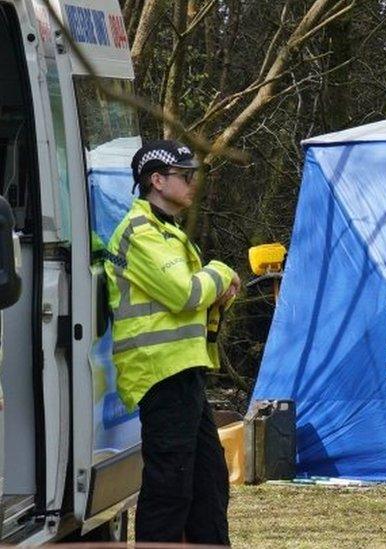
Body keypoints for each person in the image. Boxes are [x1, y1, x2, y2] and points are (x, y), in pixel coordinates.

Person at [104, 139, 240, 544]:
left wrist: (212, 288)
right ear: (157, 180)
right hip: (160, 373)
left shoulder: (167, 232)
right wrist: (220, 271)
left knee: (209, 483)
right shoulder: (139, 232)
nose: (192, 182)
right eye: (184, 175)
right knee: (170, 487)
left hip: (183, 371)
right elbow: (184, 294)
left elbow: (192, 297)